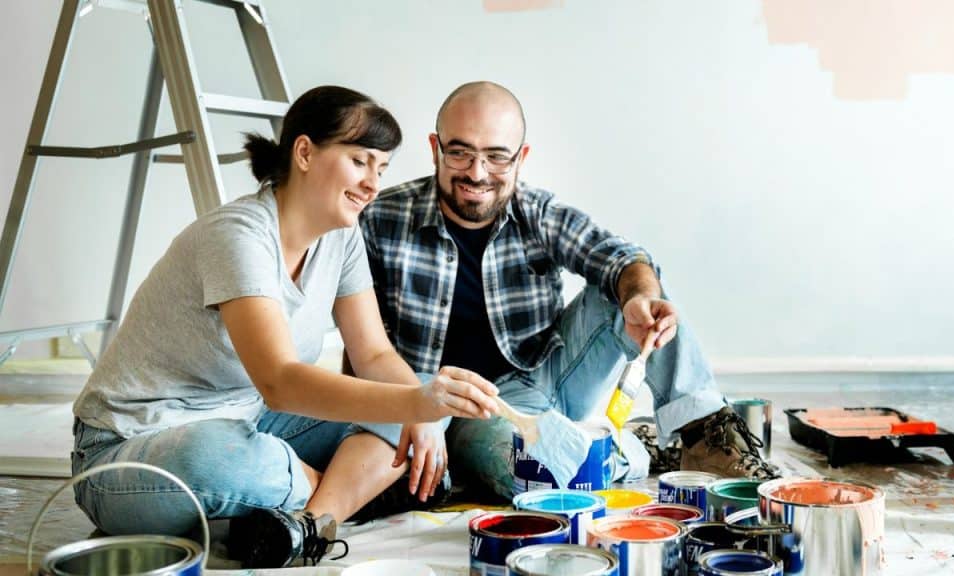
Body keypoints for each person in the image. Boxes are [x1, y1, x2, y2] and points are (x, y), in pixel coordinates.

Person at [71, 85, 499, 568]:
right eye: (360, 161)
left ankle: (309, 525)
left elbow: (374, 356)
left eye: (381, 168)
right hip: (127, 449)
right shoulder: (238, 236)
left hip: (248, 421)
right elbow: (279, 381)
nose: (372, 185)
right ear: (304, 152)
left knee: (422, 391)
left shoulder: (342, 237)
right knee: (220, 456)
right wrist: (409, 414)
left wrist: (421, 411)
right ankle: (350, 491)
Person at [357, 81, 778, 500]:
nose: (477, 172)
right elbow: (361, 341)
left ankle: (703, 434)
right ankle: (630, 448)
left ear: (521, 158)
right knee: (535, 474)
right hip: (457, 406)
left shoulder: (536, 211)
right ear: (435, 147)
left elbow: (622, 256)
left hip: (548, 378)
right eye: (460, 152)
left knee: (640, 288)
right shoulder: (381, 219)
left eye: (496, 157)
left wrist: (637, 299)